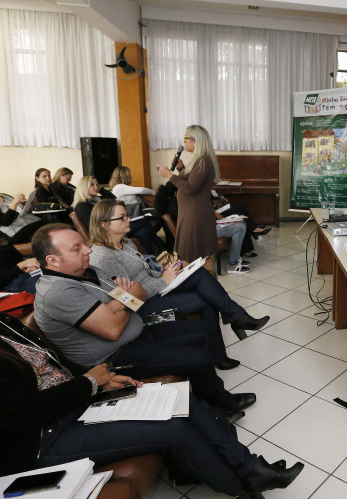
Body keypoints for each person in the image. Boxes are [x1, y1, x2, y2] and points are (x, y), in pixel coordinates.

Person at [0, 258, 303, 497]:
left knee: (176, 395)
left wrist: (97, 381)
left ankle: (249, 467)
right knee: (171, 429)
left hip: (64, 409)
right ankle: (237, 487)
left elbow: (50, 368)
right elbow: (24, 415)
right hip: (34, 443)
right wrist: (90, 383)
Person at [30, 224, 255, 416]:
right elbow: (113, 328)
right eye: (76, 249)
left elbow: (138, 293)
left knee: (202, 329)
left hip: (138, 328)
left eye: (83, 244)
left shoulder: (88, 269)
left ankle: (207, 397)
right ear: (53, 260)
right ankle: (224, 405)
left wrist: (123, 301)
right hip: (114, 357)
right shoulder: (58, 292)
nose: (88, 250)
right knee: (198, 357)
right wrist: (129, 298)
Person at [87, 200, 269, 369]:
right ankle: (233, 324)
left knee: (200, 277)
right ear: (103, 224)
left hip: (156, 288)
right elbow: (130, 299)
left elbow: (144, 272)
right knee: (206, 293)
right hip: (142, 307)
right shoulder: (103, 257)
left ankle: (225, 339)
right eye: (123, 217)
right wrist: (164, 280)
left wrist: (166, 271)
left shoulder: (125, 243)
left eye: (127, 215)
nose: (129, 219)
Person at [156, 125, 250, 273]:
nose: (184, 141)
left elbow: (190, 188)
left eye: (186, 138)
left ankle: (199, 286)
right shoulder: (200, 160)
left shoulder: (203, 161)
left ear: (195, 141)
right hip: (190, 213)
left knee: (192, 254)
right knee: (194, 253)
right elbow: (189, 182)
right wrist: (180, 169)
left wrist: (169, 175)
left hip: (195, 215)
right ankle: (201, 286)